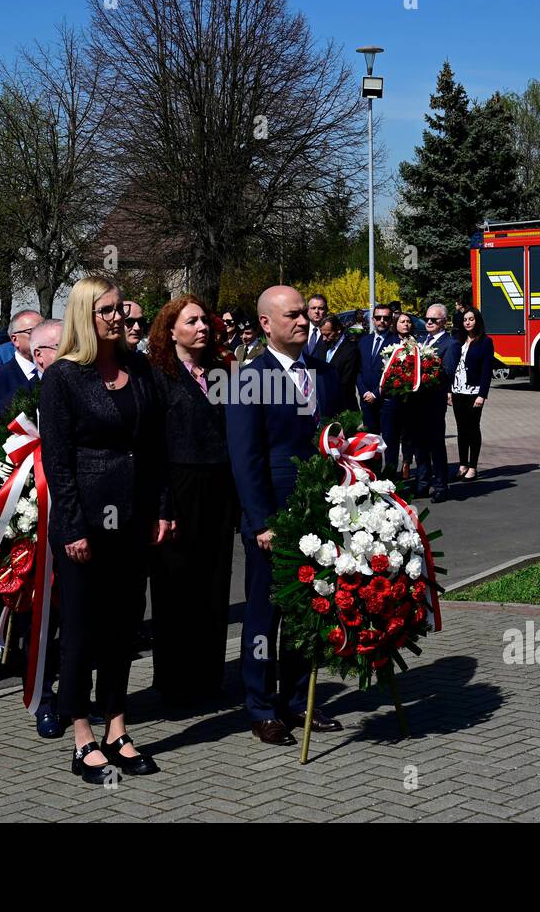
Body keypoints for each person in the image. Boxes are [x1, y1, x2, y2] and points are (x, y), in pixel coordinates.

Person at [38, 276, 173, 784]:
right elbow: (58, 461)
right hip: (85, 524)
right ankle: (82, 738)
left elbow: (154, 448)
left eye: (121, 309)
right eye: (108, 310)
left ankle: (117, 727)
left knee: (122, 629)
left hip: (134, 519)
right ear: (84, 316)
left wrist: (163, 508)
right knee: (81, 631)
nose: (120, 318)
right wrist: (72, 526)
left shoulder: (139, 370)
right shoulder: (63, 379)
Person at [225, 285, 345, 747]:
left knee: (308, 606)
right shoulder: (247, 379)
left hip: (321, 511)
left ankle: (299, 701)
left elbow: (341, 438)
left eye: (305, 314)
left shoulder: (326, 373)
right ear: (266, 324)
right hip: (273, 518)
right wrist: (260, 522)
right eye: (292, 315)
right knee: (265, 610)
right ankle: (260, 706)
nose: (303, 321)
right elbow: (246, 458)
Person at [147, 295, 238, 705]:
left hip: (218, 487)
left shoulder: (222, 372)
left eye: (205, 320)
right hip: (177, 487)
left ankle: (209, 678)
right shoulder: (156, 375)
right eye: (192, 321)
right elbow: (153, 447)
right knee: (175, 587)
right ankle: (172, 682)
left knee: (214, 582)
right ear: (171, 331)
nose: (202, 327)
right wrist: (163, 505)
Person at [26, 320, 67, 738]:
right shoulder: (15, 394)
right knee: (39, 623)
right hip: (33, 526)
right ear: (40, 355)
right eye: (62, 345)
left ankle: (75, 695)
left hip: (73, 521)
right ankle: (45, 699)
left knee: (75, 617)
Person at [415, 303, 462, 502]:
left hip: (434, 401)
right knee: (420, 445)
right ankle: (423, 483)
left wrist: (425, 369)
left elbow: (447, 373)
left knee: (435, 445)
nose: (429, 323)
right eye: (427, 319)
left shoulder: (450, 344)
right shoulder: (420, 341)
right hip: (417, 401)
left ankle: (441, 486)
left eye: (434, 320)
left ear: (443, 322)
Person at [452, 307, 494, 481]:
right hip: (457, 390)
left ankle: (473, 466)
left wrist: (482, 395)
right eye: (465, 320)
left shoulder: (485, 342)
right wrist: (448, 390)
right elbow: (451, 366)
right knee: (461, 429)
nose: (468, 322)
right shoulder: (458, 340)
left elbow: (486, 370)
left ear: (477, 321)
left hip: (473, 392)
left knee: (472, 428)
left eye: (471, 319)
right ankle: (462, 464)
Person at [0, 310, 44, 418]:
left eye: (44, 331)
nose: (42, 337)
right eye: (34, 331)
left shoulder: (57, 372)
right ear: (15, 339)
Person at [380, 311, 417, 482]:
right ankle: (390, 467)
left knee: (408, 434)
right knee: (391, 436)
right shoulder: (389, 342)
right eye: (402, 321)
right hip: (392, 396)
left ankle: (407, 464)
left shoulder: (416, 343)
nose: (406, 324)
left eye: (409, 321)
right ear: (395, 324)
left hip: (411, 397)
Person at [356, 302, 393, 434]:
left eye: (386, 318)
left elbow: (394, 375)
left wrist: (376, 394)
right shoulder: (363, 341)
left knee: (388, 444)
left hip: (386, 402)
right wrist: (364, 392)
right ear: (373, 320)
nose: (381, 321)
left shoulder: (397, 343)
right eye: (378, 318)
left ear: (391, 320)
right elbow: (358, 370)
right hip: (366, 402)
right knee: (370, 444)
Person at [317, 315, 358, 409]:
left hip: (343, 408)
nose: (323, 338)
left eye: (327, 334)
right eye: (322, 334)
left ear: (338, 330)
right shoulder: (323, 346)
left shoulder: (351, 350)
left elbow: (346, 383)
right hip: (324, 406)